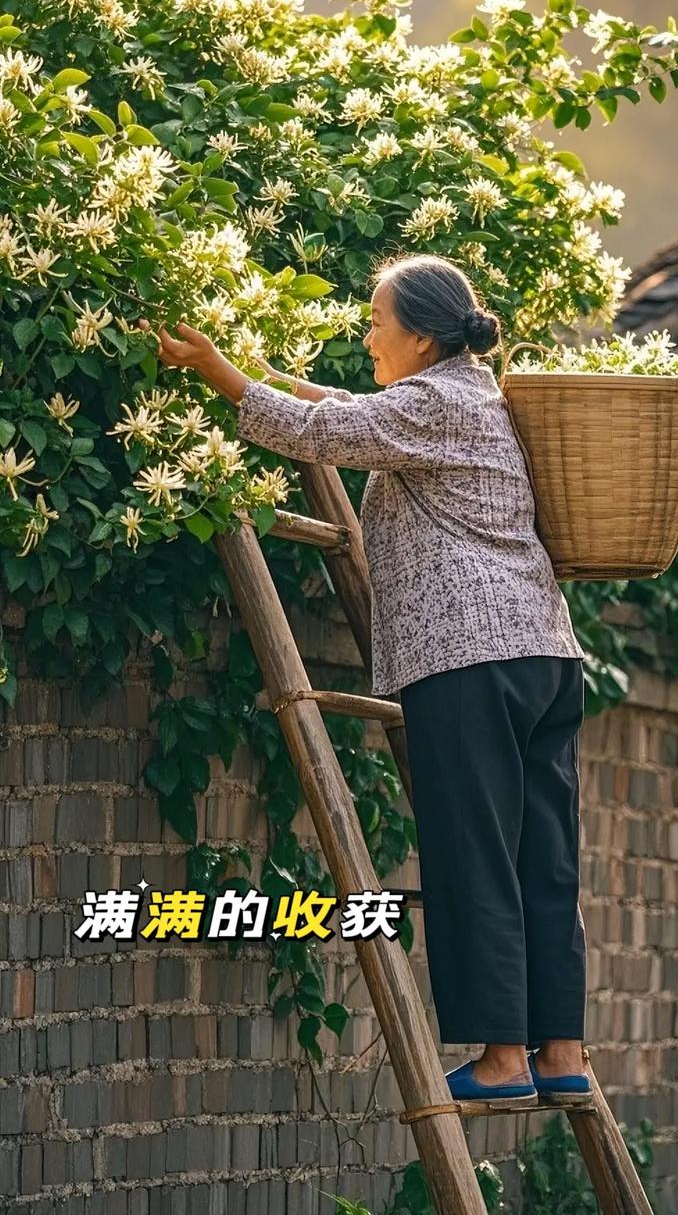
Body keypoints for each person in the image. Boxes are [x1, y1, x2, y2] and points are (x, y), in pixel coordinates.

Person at [141, 250, 590, 1105]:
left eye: (377, 320)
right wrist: (263, 370)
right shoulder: (468, 396)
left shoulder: (428, 403)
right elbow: (354, 412)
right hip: (542, 656)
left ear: (421, 337)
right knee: (544, 859)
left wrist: (218, 374)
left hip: (467, 659)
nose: (368, 334)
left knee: (475, 856)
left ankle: (501, 1060)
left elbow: (324, 436)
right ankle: (561, 1053)